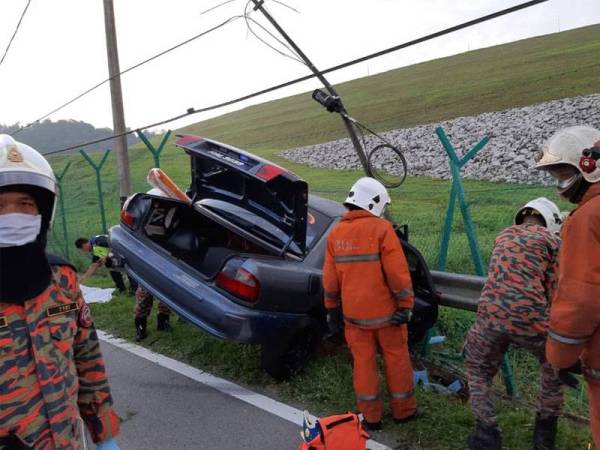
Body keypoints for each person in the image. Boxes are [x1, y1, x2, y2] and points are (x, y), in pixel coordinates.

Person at [0, 134, 120, 449]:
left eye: (25, 204)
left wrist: (105, 435)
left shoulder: (62, 279)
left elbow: (87, 356)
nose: (12, 216)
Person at [463, 197, 564, 450]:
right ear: (550, 221)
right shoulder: (553, 241)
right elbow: (553, 289)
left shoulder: (503, 236)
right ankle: (544, 437)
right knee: (553, 369)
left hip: (490, 315)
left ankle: (486, 435)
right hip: (531, 318)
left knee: (478, 369)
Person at [322, 177, 419, 431]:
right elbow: (398, 274)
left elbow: (330, 280)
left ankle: (371, 417)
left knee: (363, 365)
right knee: (397, 359)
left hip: (354, 318)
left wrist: (331, 308)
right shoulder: (382, 229)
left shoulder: (336, 234)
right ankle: (404, 412)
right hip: (387, 316)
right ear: (374, 202)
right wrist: (406, 305)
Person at [535, 125, 600, 449]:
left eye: (563, 174)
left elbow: (579, 300)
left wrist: (561, 357)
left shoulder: (586, 219)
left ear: (589, 167)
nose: (560, 185)